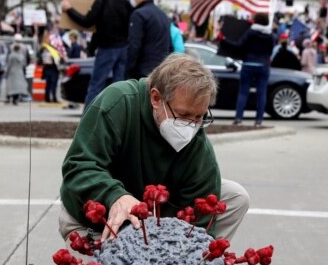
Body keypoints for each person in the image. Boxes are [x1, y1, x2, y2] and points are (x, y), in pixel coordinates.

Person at [59, 54, 250, 250]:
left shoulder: (199, 148)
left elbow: (200, 228)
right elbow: (78, 167)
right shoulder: (119, 103)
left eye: (199, 117)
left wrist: (189, 258)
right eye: (183, 115)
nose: (191, 126)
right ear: (156, 98)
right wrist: (115, 196)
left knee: (235, 196)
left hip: (155, 219)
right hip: (97, 220)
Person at [61, 0, 133, 108]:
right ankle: (118, 117)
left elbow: (87, 22)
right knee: (120, 86)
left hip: (107, 47)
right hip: (124, 49)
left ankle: (88, 116)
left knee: (96, 85)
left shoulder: (103, 0)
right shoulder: (128, 3)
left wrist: (69, 9)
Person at [219, 13, 274, 126]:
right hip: (263, 65)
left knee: (243, 92)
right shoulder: (270, 35)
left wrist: (223, 39)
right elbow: (270, 52)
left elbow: (238, 45)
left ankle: (238, 118)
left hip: (248, 63)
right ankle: (258, 120)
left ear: (256, 21)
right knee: (261, 93)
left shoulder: (250, 32)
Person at [125, 0, 172, 80]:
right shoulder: (162, 14)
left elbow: (134, 45)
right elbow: (170, 45)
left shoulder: (139, 14)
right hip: (161, 70)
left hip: (143, 71)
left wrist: (129, 71)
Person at [39, 31, 61, 103]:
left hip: (52, 68)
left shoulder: (49, 48)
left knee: (51, 84)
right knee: (50, 84)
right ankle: (49, 98)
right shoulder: (45, 48)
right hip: (50, 68)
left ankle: (51, 98)